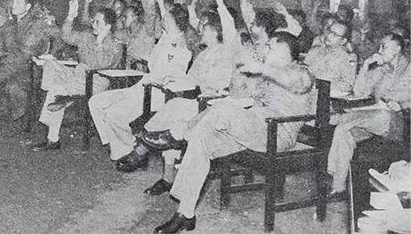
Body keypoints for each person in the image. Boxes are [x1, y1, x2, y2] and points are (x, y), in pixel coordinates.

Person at [151, 32, 314, 233]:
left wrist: (262, 67)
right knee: (201, 140)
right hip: (254, 128)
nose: (265, 49)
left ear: (285, 50)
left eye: (270, 46)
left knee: (223, 110)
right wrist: (239, 70)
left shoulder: (301, 71)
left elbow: (296, 83)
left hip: (278, 134)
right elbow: (238, 95)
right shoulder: (265, 74)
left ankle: (177, 136)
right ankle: (185, 214)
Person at [136, 0, 243, 194]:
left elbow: (230, 27)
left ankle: (142, 148)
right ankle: (166, 176)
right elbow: (193, 79)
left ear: (215, 31)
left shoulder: (229, 50)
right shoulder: (203, 55)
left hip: (220, 107)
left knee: (176, 110)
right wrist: (173, 78)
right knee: (174, 117)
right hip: (202, 104)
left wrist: (218, 0)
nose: (199, 29)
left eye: (203, 26)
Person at [88, 0, 192, 171]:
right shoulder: (166, 36)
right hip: (143, 84)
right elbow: (159, 16)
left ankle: (129, 152)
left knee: (113, 115)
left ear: (173, 23)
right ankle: (126, 145)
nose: (162, 21)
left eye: (166, 19)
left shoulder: (179, 44)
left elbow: (166, 71)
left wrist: (158, 0)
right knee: (96, 102)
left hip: (157, 92)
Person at [32, 2, 123, 151]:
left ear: (107, 26)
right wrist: (70, 17)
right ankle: (61, 98)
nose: (93, 24)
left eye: (97, 22)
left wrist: (99, 43)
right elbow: (66, 36)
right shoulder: (87, 37)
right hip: (78, 74)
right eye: (93, 20)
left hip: (95, 80)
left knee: (56, 90)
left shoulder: (115, 44)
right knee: (51, 65)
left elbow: (98, 64)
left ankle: (52, 137)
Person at [327, 34, 410, 194]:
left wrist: (401, 105)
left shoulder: (409, 69)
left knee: (352, 121)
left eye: (384, 47)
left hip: (396, 122)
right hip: (373, 118)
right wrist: (365, 65)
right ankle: (338, 187)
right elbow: (359, 92)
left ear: (397, 49)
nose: (379, 50)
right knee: (343, 132)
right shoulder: (381, 69)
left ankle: (340, 120)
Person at [0, 0, 60, 123]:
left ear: (28, 7)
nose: (14, 5)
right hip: (8, 66)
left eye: (18, 2)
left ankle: (16, 117)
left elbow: (60, 36)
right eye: (13, 1)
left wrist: (52, 54)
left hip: (28, 69)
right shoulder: (10, 25)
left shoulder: (37, 23)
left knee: (13, 88)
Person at [303, 19, 357, 94]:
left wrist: (321, 85)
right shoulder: (315, 50)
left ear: (343, 41)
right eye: (329, 31)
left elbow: (348, 85)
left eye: (335, 34)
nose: (329, 36)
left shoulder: (349, 58)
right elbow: (304, 69)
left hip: (328, 95)